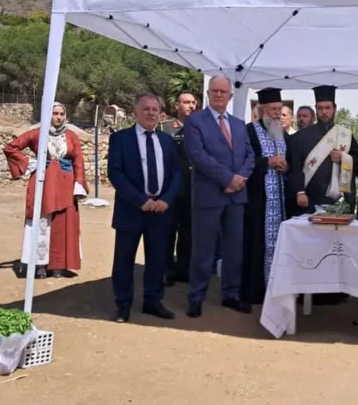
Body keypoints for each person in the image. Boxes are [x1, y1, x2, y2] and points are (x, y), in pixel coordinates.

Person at [184, 74, 255, 317]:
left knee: (234, 249)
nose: (218, 95)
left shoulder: (238, 124)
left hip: (236, 196)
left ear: (230, 96)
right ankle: (196, 296)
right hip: (209, 195)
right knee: (203, 250)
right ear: (207, 93)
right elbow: (198, 156)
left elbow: (250, 156)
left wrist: (240, 178)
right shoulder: (195, 121)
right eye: (214, 90)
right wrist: (228, 179)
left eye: (223, 92)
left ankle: (231, 294)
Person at [107, 94, 182, 323]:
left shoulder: (167, 141)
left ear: (160, 113)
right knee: (124, 260)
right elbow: (116, 174)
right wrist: (140, 200)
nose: (151, 113)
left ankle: (153, 300)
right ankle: (123, 305)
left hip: (161, 211)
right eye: (146, 109)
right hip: (131, 209)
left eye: (154, 109)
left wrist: (166, 200)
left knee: (157, 259)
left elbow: (177, 174)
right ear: (136, 113)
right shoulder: (121, 139)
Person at [4, 102, 88, 279]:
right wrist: (29, 163)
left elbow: (78, 161)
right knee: (42, 221)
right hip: (44, 182)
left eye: (61, 114)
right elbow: (11, 147)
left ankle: (59, 265)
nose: (58, 117)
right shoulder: (37, 134)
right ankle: (40, 264)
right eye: (54, 113)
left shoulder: (71, 136)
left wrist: (79, 183)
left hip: (66, 183)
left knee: (63, 222)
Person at [242, 88, 292, 306]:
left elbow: (292, 164)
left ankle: (276, 289)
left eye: (279, 109)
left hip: (279, 203)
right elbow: (242, 161)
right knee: (254, 246)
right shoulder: (248, 132)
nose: (277, 113)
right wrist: (268, 162)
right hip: (257, 202)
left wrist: (286, 167)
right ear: (261, 110)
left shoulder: (283, 135)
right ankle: (253, 293)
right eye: (272, 109)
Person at [289, 85, 358, 214]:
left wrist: (344, 158)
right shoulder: (301, 136)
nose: (324, 112)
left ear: (334, 109)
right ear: (316, 109)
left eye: (327, 108)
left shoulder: (345, 135)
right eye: (320, 108)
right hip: (309, 198)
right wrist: (300, 192)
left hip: (339, 200)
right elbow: (295, 167)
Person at [162, 91, 197, 287]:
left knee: (188, 231)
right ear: (177, 105)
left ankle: (184, 268)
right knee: (169, 230)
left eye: (193, 102)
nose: (190, 106)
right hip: (172, 188)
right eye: (186, 102)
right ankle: (167, 269)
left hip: (193, 187)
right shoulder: (166, 128)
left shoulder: (199, 128)